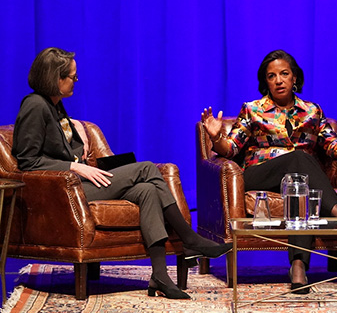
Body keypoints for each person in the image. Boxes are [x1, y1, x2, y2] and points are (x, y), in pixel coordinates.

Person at [13, 47, 232, 300]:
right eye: (72, 77)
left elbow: (59, 145)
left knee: (147, 190)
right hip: (65, 191)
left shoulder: (55, 107)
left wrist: (78, 140)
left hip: (79, 182)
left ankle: (159, 276)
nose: (76, 81)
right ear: (55, 77)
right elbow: (27, 162)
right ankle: (189, 238)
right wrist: (74, 166)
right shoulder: (34, 105)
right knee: (148, 169)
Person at [201, 49, 337, 294]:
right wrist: (216, 137)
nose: (278, 80)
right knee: (298, 158)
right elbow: (229, 149)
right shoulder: (252, 110)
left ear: (295, 79)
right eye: (272, 76)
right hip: (259, 176)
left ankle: (298, 268)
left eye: (284, 74)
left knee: (298, 187)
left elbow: (334, 148)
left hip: (298, 183)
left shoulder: (312, 112)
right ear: (266, 82)